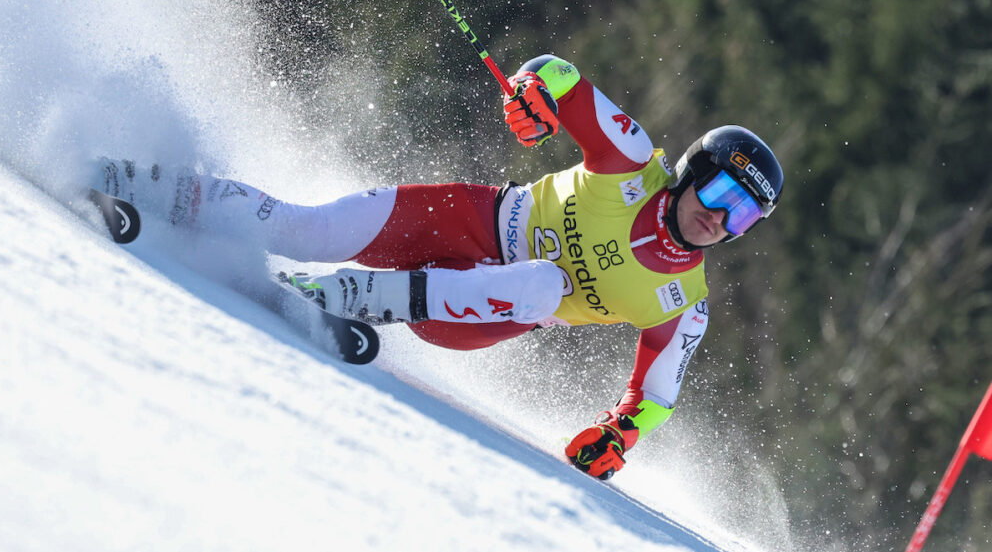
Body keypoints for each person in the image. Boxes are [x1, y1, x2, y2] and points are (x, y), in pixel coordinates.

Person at [97, 54, 784, 480]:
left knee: (547, 282)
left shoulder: (681, 300)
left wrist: (616, 436)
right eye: (723, 194)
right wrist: (530, 94)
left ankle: (345, 296)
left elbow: (657, 395)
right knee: (306, 225)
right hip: (470, 216)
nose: (720, 220)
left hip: (475, 308)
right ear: (693, 171)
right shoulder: (632, 160)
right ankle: (140, 182)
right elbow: (561, 77)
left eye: (743, 218)